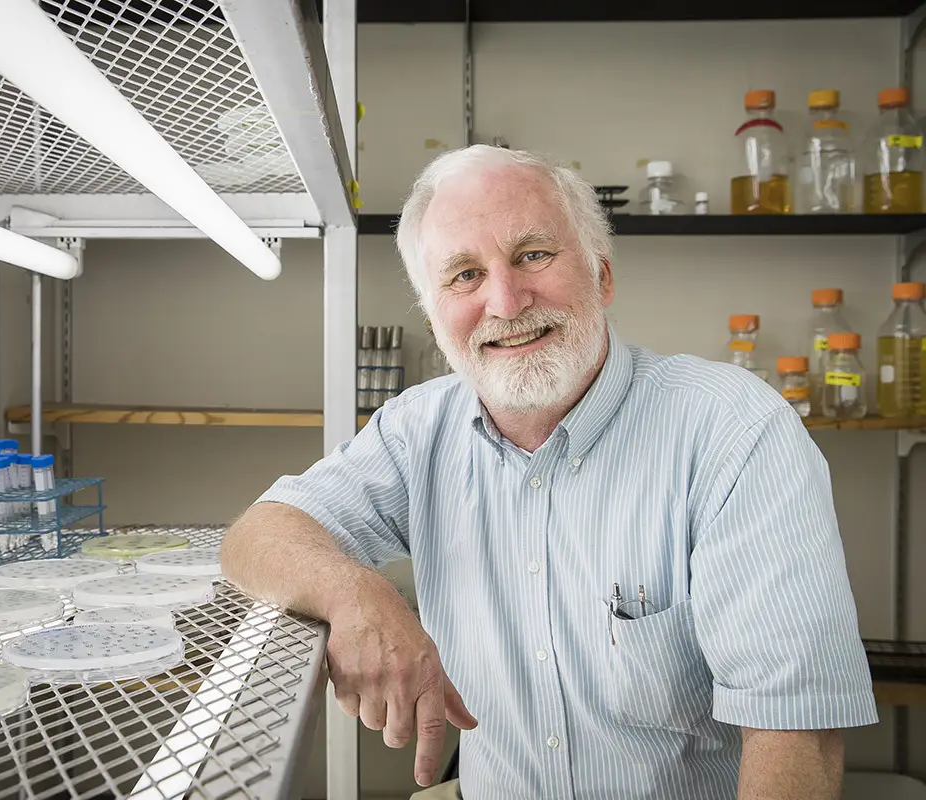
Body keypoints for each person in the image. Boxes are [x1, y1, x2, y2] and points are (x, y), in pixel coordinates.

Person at [220, 145, 877, 799]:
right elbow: (257, 536)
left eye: (533, 255)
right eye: (464, 275)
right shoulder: (418, 431)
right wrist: (355, 594)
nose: (506, 302)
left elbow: (796, 730)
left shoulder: (733, 430)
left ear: (603, 274)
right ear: (435, 316)